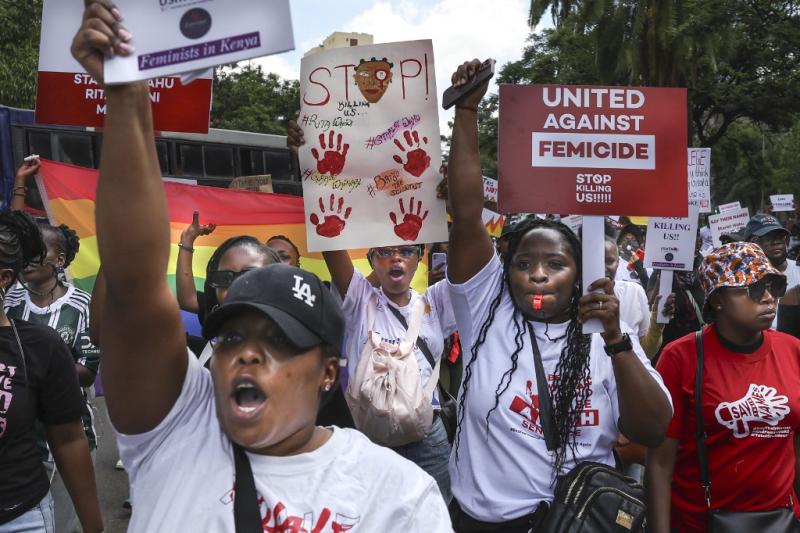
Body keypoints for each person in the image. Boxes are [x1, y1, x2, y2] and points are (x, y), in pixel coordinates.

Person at [69, 6, 451, 532]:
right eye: (232, 339)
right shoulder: (177, 426)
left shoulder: (399, 494)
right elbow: (133, 287)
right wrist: (128, 94)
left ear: (327, 374)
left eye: (281, 339)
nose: (248, 351)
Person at [444, 59, 672, 531]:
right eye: (524, 264)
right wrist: (466, 112)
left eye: (555, 264)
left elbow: (652, 429)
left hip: (581, 521)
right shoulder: (487, 310)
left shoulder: (605, 332)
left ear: (579, 275)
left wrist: (616, 342)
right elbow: (467, 216)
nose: (538, 275)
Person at [287, 123, 456, 502]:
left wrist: (454, 204)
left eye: (406, 250)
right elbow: (330, 240)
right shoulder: (359, 299)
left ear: (419, 258)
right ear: (372, 259)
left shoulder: (437, 302)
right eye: (385, 251)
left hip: (427, 440)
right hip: (370, 437)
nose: (396, 258)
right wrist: (305, 166)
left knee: (434, 518)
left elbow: (469, 266)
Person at [646, 242, 800, 533]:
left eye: (773, 286)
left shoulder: (793, 350)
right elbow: (660, 464)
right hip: (700, 523)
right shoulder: (680, 357)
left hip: (782, 521)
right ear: (717, 300)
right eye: (752, 289)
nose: (768, 298)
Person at [0, 210, 102, 533]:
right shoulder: (18, 299)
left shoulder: (41, 342)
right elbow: (15, 235)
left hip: (21, 515)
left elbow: (69, 437)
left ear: (3, 278)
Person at [744, 213, 800, 328]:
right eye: (767, 238)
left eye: (780, 236)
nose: (776, 242)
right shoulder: (742, 280)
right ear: (751, 244)